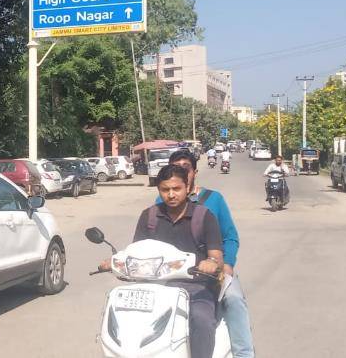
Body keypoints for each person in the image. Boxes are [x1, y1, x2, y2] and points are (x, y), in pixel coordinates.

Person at [101, 164, 223, 358]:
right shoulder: (149, 216)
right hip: (152, 284)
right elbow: (136, 250)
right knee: (120, 314)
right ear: (159, 190)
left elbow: (216, 256)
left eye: (176, 189)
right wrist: (115, 261)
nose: (171, 195)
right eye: (165, 190)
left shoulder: (204, 217)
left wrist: (210, 263)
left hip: (193, 286)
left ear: (188, 188)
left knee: (202, 319)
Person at [159, 149, 255, 358]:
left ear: (194, 171)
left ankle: (244, 353)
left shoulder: (213, 200)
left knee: (233, 299)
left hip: (211, 269)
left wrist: (226, 265)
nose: (182, 172)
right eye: (177, 168)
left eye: (186, 168)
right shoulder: (162, 203)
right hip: (173, 272)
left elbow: (230, 236)